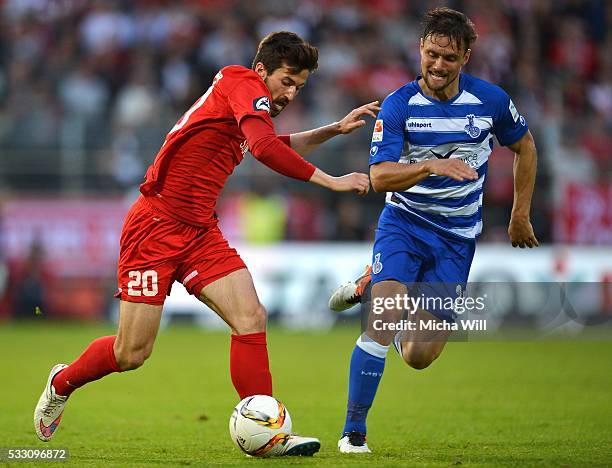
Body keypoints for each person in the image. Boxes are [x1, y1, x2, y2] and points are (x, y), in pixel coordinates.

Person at [34, 31, 380, 457]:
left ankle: (268, 431)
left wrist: (333, 129)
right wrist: (331, 180)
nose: (290, 93)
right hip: (154, 228)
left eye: (299, 87)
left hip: (199, 232)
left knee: (251, 316)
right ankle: (61, 382)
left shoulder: (247, 108)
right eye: (287, 81)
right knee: (132, 352)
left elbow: (268, 144)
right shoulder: (240, 82)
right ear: (261, 71)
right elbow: (266, 149)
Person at [328, 8, 539, 454]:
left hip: (457, 239)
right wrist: (429, 165)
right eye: (430, 54)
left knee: (419, 356)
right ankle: (353, 432)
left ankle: (372, 283)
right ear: (419, 50)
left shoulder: (492, 101)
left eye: (448, 57)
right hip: (404, 223)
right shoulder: (400, 104)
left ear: (466, 57)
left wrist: (520, 214)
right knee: (384, 317)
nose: (438, 65)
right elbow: (380, 177)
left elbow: (525, 146)